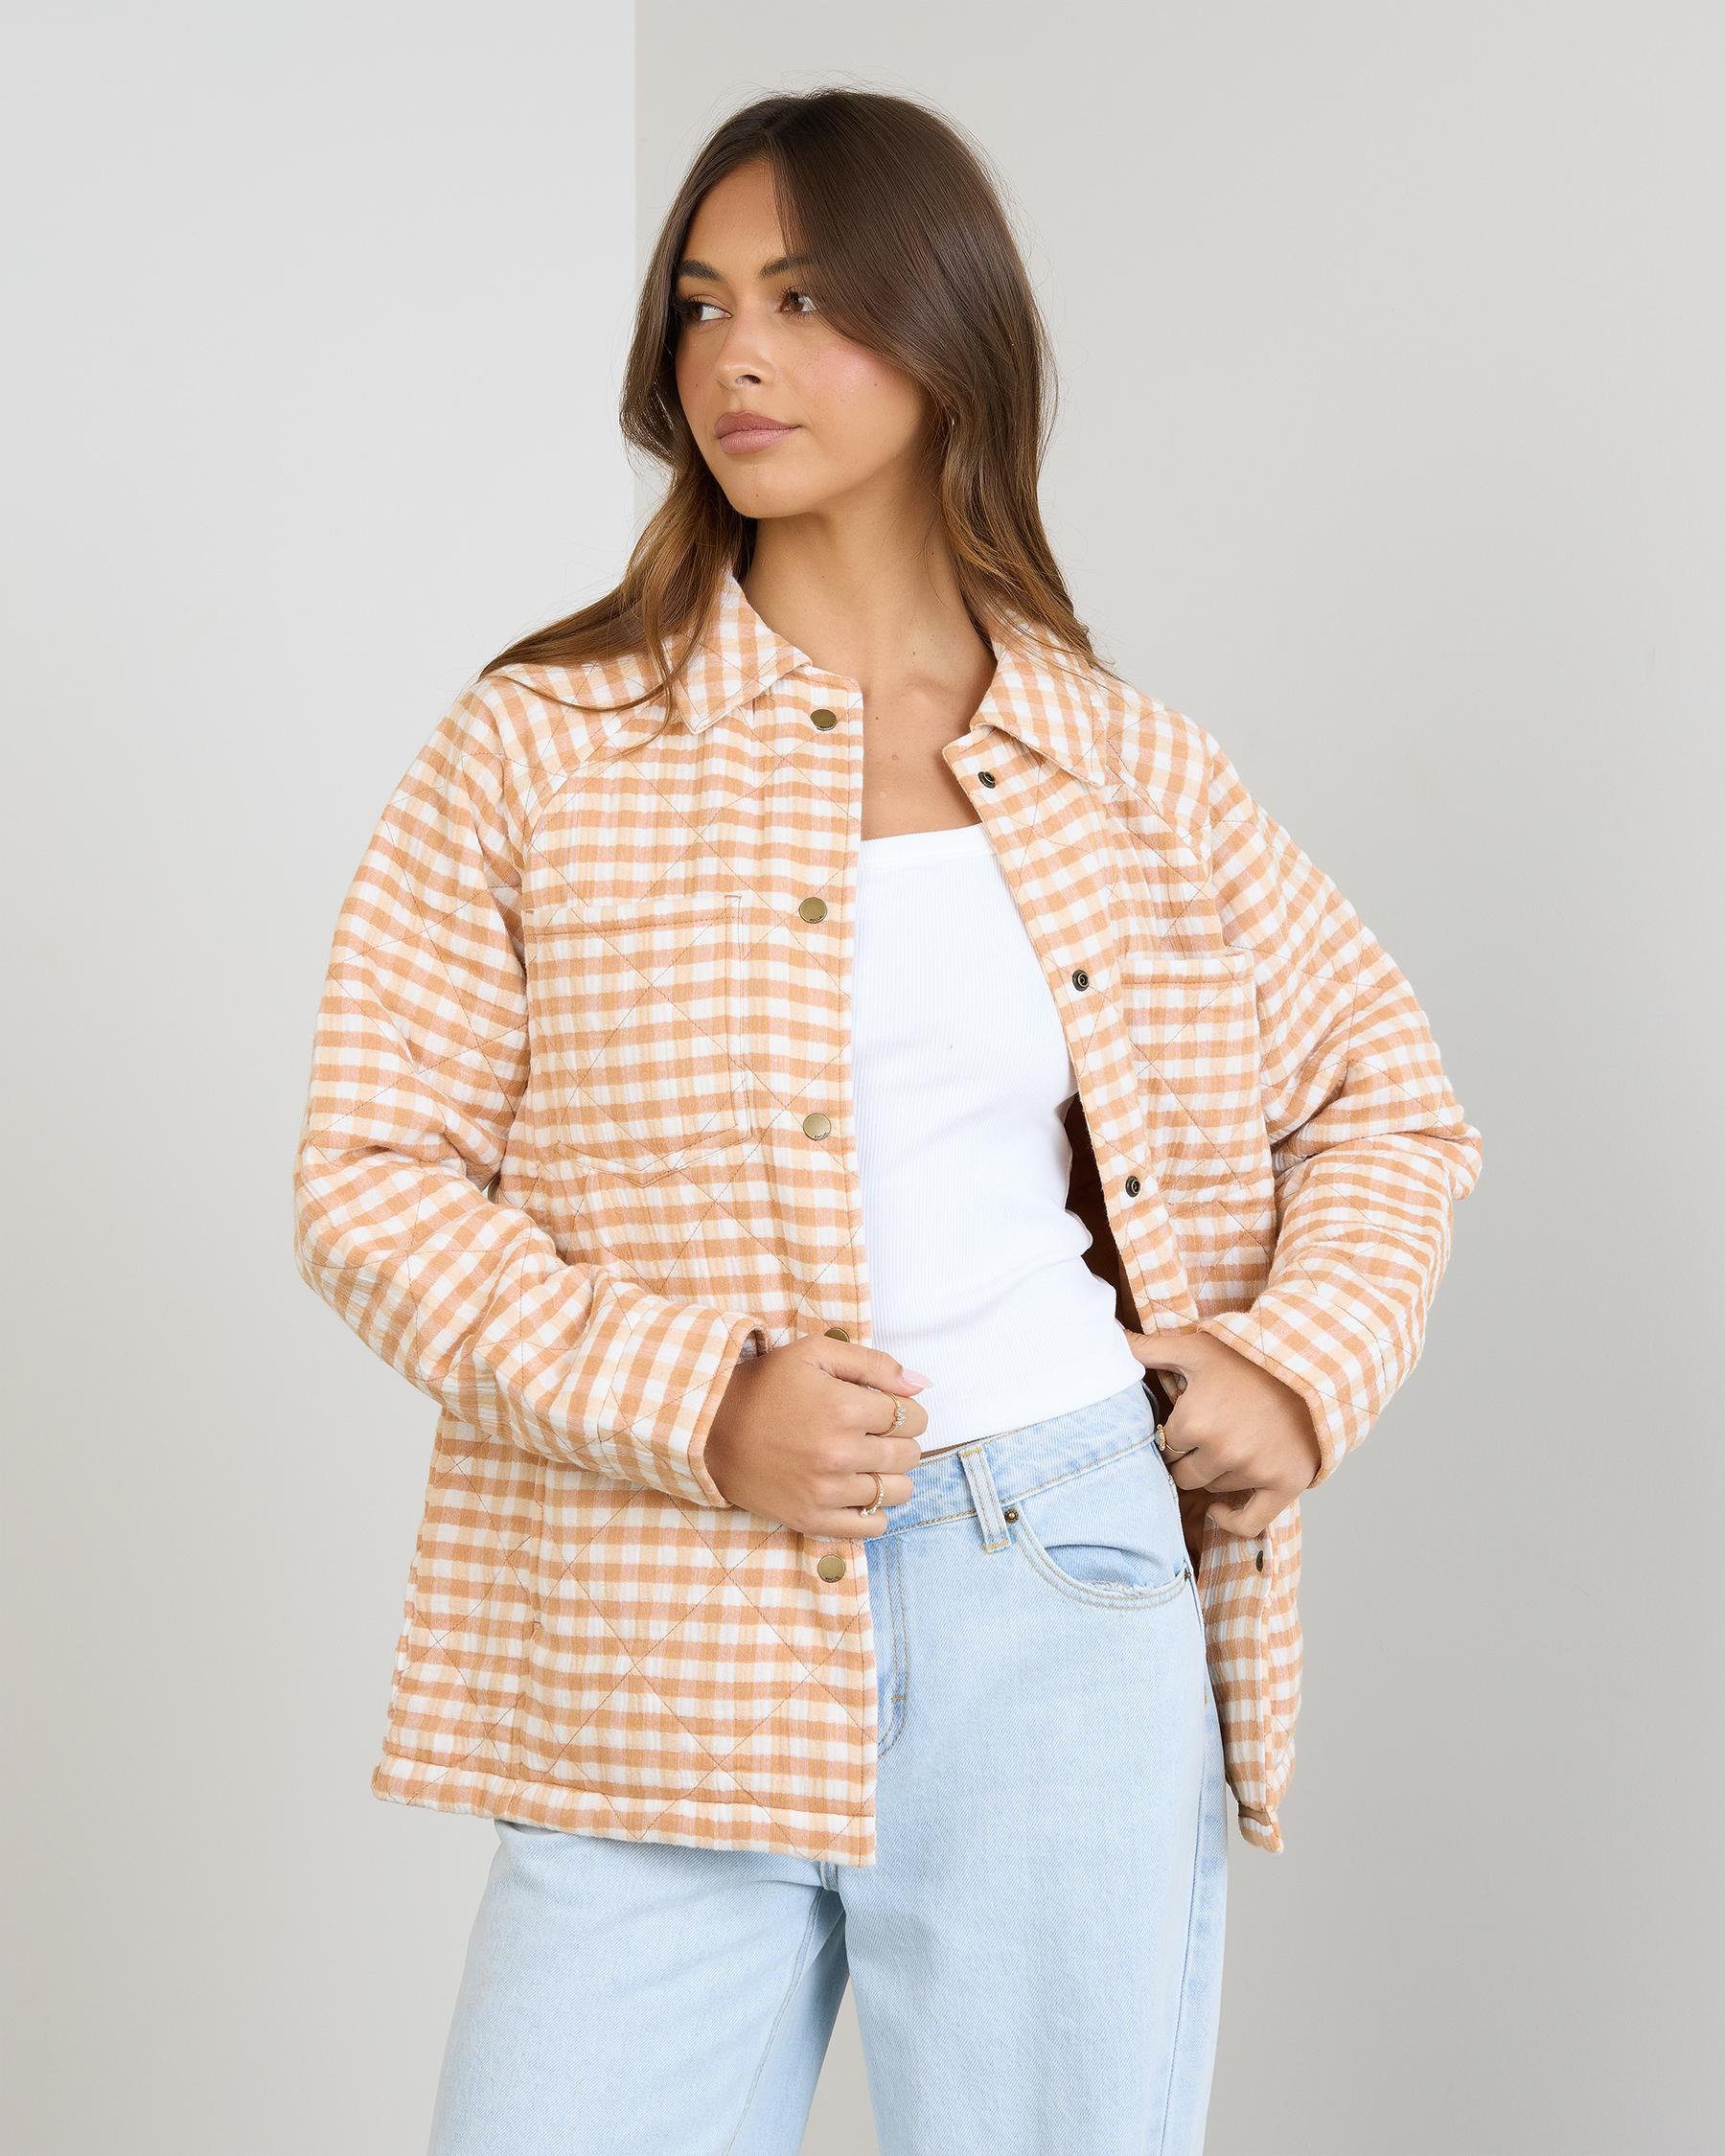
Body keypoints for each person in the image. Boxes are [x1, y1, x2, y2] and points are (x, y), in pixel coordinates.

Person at [291, 86, 1483, 2156]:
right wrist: (703, 1400)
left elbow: (1389, 1100)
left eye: (805, 300)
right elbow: (370, 1183)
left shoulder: (1132, 769)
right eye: (701, 305)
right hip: (663, 1608)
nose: (735, 358)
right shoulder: (540, 750)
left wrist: (1299, 1369)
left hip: (1064, 1582)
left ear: (947, 336)